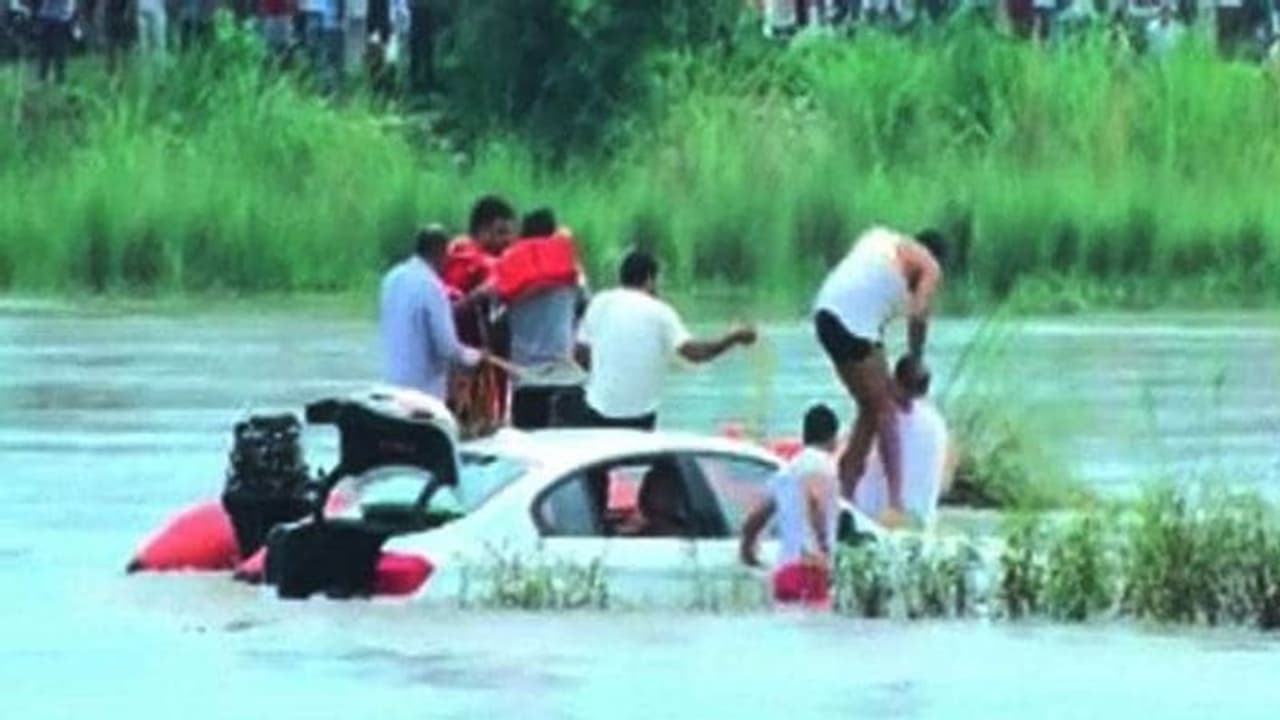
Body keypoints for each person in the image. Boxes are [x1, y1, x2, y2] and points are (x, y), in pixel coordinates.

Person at [813, 225, 945, 528]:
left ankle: (845, 488)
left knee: (870, 407)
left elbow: (869, 309)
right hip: (850, 320)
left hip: (824, 313)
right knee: (885, 409)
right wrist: (916, 357)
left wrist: (888, 376)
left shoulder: (877, 238)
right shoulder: (929, 265)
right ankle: (896, 502)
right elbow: (919, 314)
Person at [572, 250, 757, 431]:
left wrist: (606, 371)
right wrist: (733, 338)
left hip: (596, 412)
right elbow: (696, 354)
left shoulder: (599, 302)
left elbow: (579, 353)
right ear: (650, 279)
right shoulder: (659, 311)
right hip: (639, 417)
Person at [739, 404, 841, 605]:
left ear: (804, 436)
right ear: (833, 438)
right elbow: (816, 502)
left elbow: (755, 518)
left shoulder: (786, 471)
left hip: (785, 572)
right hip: (812, 571)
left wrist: (748, 552)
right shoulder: (824, 465)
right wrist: (824, 550)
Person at [500, 208, 588, 430]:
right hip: (565, 379)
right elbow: (585, 311)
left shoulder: (510, 270)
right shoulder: (571, 273)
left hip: (526, 380)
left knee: (529, 456)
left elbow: (497, 320)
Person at [850, 355, 954, 531]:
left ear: (893, 380)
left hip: (877, 518)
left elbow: (849, 456)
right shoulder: (937, 423)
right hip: (923, 518)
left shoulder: (885, 417)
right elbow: (947, 474)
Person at [379, 225, 484, 399]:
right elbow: (447, 348)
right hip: (423, 394)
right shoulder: (432, 286)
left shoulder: (391, 278)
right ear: (439, 253)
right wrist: (475, 357)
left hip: (391, 387)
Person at [443, 195, 518, 435]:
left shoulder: (502, 262)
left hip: (493, 370)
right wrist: (479, 294)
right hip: (466, 370)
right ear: (482, 231)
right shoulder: (461, 262)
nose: (508, 240)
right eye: (501, 232)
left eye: (510, 233)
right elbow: (447, 315)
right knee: (467, 433)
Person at [34, 0, 74, 83]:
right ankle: (46, 76)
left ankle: (56, 77)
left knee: (56, 51)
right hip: (50, 19)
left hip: (58, 19)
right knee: (46, 51)